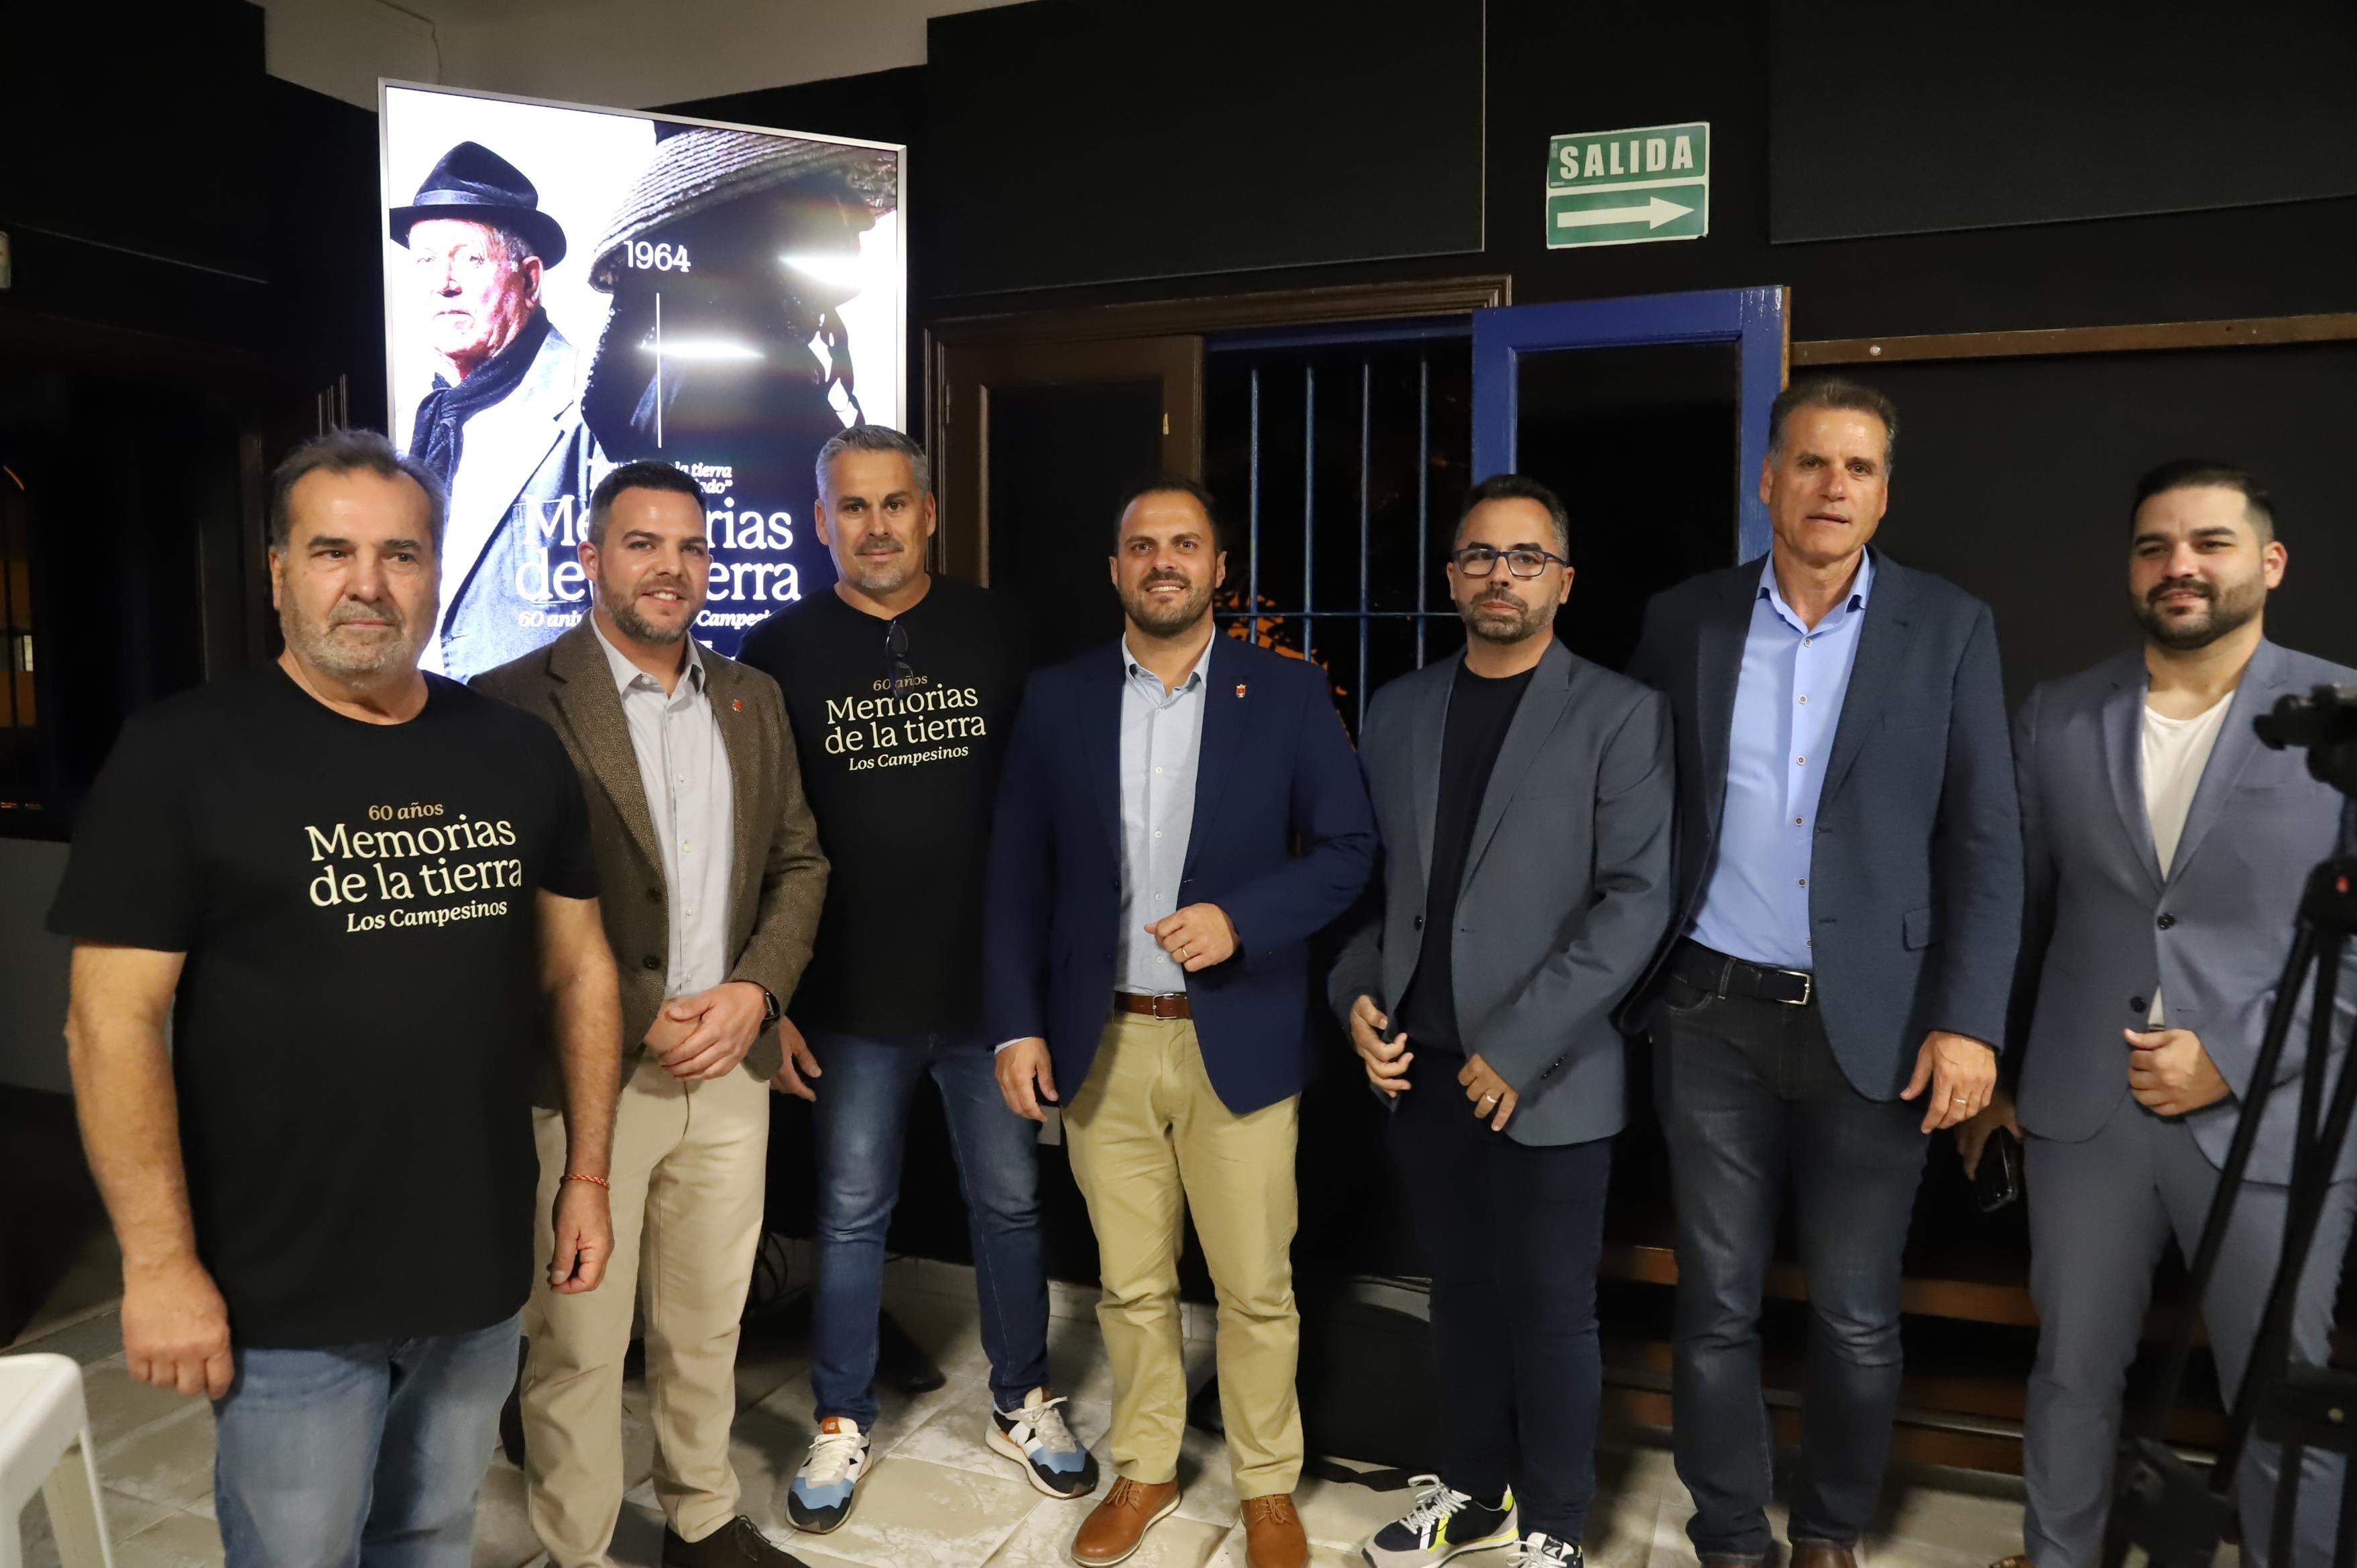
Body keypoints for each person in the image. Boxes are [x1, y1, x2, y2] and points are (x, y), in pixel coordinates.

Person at [49, 429, 620, 1568]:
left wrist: (589, 1175)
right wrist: (158, 1264)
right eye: (331, 552)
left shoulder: (514, 750)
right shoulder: (180, 755)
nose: (369, 583)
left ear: (436, 568)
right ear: (278, 573)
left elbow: (581, 966)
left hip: (472, 1259)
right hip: (284, 1282)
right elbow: (108, 1021)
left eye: (401, 553)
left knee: (431, 1529)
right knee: (299, 1551)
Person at [1626, 378, 2022, 1568]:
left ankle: (1831, 1529)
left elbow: (1986, 839)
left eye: (1857, 467)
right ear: (1769, 479)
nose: (1832, 486)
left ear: (1884, 493)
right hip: (1710, 1014)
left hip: (1880, 1029)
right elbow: (1632, 806)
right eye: (1810, 462)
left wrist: (1969, 1023)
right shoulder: (1686, 619)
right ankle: (1729, 1532)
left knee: (1855, 1313)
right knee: (1716, 1301)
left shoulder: (1947, 625)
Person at [1964, 462, 2357, 1568]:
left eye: (2209, 542)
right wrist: (1991, 1070)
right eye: (2153, 546)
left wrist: (2234, 1054)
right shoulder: (2057, 713)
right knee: (2070, 1376)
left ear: (2268, 562)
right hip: (2082, 1110)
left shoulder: (2343, 713)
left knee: (2278, 1395)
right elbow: (2015, 906)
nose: (2178, 564)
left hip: (2273, 1116)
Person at [984, 476, 1377, 1568]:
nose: (1163, 560)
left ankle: (1266, 1485)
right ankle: (1147, 1466)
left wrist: (1241, 918)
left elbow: (1348, 850)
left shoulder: (1286, 691)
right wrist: (1015, 1023)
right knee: (1130, 1282)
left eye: (1184, 543)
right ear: (1116, 568)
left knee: (1254, 1286)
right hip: (1098, 1039)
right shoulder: (1057, 696)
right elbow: (1015, 873)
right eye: (1143, 544)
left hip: (1236, 1037)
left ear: (1217, 567)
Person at [736, 426, 1098, 1532]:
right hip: (850, 1000)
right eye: (852, 506)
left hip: (990, 996)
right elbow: (759, 839)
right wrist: (775, 999)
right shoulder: (775, 649)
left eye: (894, 503)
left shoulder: (1000, 628)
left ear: (929, 513)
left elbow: (1049, 808)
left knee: (1010, 1202)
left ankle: (1021, 1397)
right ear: (820, 521)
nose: (876, 525)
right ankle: (839, 1415)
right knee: (849, 1214)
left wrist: (1042, 986)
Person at [474, 460, 830, 1567]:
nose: (670, 566)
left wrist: (756, 990)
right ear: (591, 557)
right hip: (587, 1078)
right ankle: (576, 1545)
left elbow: (800, 861)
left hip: (730, 1065)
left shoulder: (751, 696)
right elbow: (503, 906)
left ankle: (702, 1514)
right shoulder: (509, 701)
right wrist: (639, 1011)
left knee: (706, 1320)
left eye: (690, 546)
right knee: (578, 1339)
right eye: (642, 542)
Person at [1332, 475, 1676, 1568]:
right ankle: (1473, 1491)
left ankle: (1556, 1523)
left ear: (1563, 581)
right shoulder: (1398, 709)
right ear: (1451, 577)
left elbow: (1636, 901)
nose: (1500, 574)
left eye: (1525, 556)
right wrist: (1353, 995)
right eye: (1479, 555)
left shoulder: (1620, 713)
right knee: (1462, 1299)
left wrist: (1517, 1046)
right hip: (1419, 1069)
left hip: (1549, 1071)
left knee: (1551, 1308)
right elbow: (1373, 888)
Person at [391, 140, 601, 678]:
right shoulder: (418, 422)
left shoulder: (594, 405)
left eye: (470, 259)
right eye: (426, 260)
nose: (444, 284)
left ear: (528, 280)